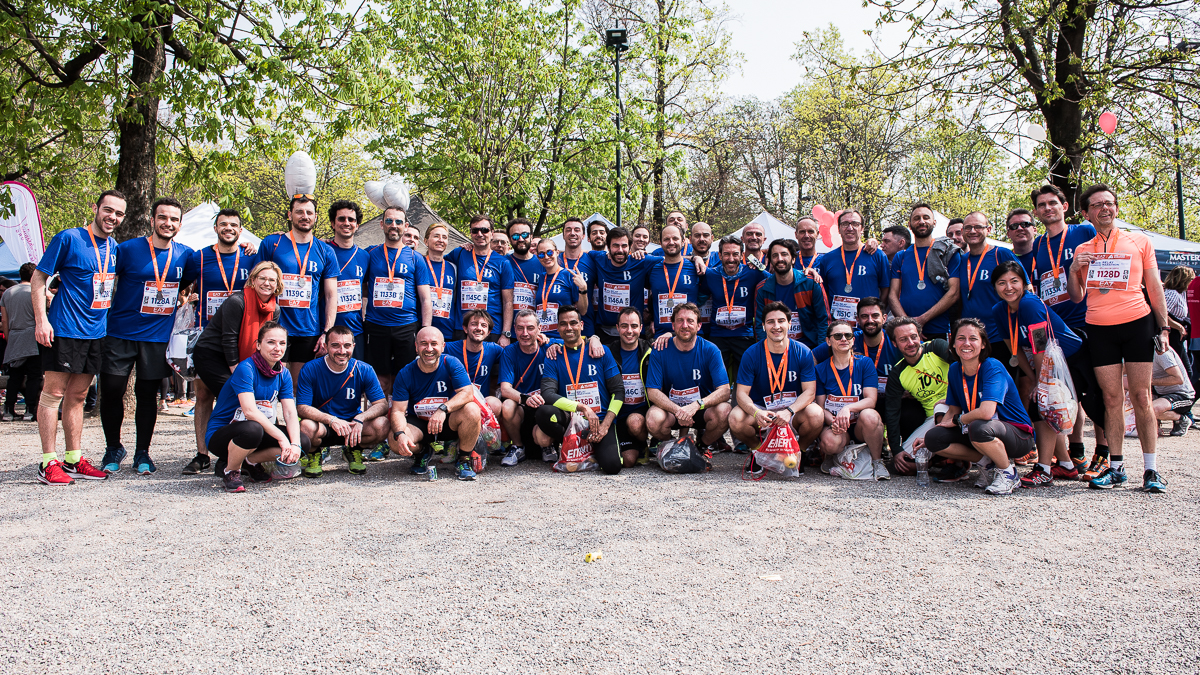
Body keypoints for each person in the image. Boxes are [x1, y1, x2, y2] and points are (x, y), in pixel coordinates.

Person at [1068, 183, 1170, 493]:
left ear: (1115, 207)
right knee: (1111, 399)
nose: (1105, 209)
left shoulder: (1139, 241)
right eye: (1097, 205)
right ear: (1086, 213)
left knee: (1141, 396)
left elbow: (1154, 286)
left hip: (1138, 323)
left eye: (1109, 203)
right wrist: (1073, 270)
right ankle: (1116, 468)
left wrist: (1164, 328)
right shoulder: (1083, 250)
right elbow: (1076, 296)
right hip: (1100, 328)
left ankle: (1151, 470)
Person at [99, 197, 194, 475]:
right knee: (112, 390)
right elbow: (103, 275)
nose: (168, 223)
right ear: (152, 220)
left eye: (174, 219)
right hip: (120, 333)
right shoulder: (127, 249)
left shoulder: (185, 255)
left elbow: (210, 264)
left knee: (147, 394)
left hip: (156, 337)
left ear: (180, 224)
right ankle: (113, 448)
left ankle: (142, 452)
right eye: (162, 217)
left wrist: (247, 246)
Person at [991, 261, 1103, 487]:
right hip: (1044, 362)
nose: (1009, 288)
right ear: (994, 287)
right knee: (1042, 405)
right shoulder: (999, 311)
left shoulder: (1029, 304)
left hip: (1071, 359)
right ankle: (1066, 465)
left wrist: (1041, 383)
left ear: (1024, 283)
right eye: (1002, 283)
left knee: (1043, 405)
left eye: (1014, 281)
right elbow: (1015, 350)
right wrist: (1034, 378)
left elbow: (1040, 345)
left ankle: (1044, 469)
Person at [915, 318, 1035, 495]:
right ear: (953, 343)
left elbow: (986, 412)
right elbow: (953, 410)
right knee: (934, 438)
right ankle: (988, 464)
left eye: (973, 338)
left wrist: (958, 420)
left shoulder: (992, 367)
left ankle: (1008, 473)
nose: (966, 343)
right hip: (979, 429)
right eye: (961, 338)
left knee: (978, 427)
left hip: (1018, 434)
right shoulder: (955, 369)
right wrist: (930, 436)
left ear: (983, 344)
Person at [1029, 184, 1103, 468]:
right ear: (1037, 212)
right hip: (1056, 327)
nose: (1047, 208)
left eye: (1052, 203)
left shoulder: (1083, 231)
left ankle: (1103, 453)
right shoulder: (1038, 245)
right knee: (1069, 390)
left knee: (1098, 391)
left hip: (1089, 320)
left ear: (1064, 206)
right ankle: (1077, 450)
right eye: (1042, 205)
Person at [188, 262, 282, 474]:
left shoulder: (274, 309)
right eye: (262, 278)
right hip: (213, 355)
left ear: (277, 285)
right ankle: (223, 457)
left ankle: (244, 456)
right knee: (236, 401)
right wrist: (239, 374)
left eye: (272, 280)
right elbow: (229, 338)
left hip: (242, 360)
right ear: (253, 280)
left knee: (251, 401)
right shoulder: (237, 301)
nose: (267, 283)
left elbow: (268, 340)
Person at [180, 208, 255, 473]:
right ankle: (202, 453)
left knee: (238, 395)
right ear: (215, 228)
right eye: (223, 224)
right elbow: (179, 286)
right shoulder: (199, 257)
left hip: (241, 338)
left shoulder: (251, 257)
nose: (228, 229)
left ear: (241, 230)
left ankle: (233, 450)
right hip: (208, 339)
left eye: (233, 225)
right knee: (203, 395)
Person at [203, 321, 308, 493]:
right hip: (223, 433)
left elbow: (290, 412)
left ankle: (249, 461)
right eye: (271, 342)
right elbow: (250, 412)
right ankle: (231, 471)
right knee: (253, 429)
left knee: (303, 441)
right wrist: (282, 438)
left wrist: (295, 444)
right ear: (258, 345)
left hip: (257, 431)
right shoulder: (246, 368)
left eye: (282, 343)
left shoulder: (284, 373)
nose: (277, 348)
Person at [729, 302, 824, 471]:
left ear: (790, 324)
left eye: (781, 321)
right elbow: (741, 394)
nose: (776, 326)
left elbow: (810, 392)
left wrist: (789, 411)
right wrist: (756, 412)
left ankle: (798, 453)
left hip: (792, 410)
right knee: (735, 418)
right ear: (763, 326)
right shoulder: (751, 353)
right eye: (770, 322)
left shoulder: (803, 352)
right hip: (763, 411)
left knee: (816, 414)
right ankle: (759, 452)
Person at [255, 195, 339, 387]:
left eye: (309, 212)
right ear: (290, 215)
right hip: (275, 325)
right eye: (299, 212)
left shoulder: (325, 251)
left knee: (298, 386)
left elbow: (331, 295)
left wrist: (327, 332)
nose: (304, 216)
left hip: (308, 329)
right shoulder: (272, 243)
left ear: (316, 217)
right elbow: (256, 282)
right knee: (269, 384)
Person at [536, 305, 626, 474]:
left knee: (612, 466)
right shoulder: (553, 355)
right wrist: (582, 407)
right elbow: (547, 394)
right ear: (557, 328)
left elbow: (619, 391)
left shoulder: (601, 351)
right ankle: (569, 442)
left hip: (599, 420)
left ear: (581, 325)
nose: (568, 328)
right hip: (571, 419)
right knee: (544, 413)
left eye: (573, 323)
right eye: (563, 324)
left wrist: (606, 425)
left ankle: (589, 447)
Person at [390, 327, 483, 481]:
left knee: (472, 410)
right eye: (424, 344)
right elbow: (398, 411)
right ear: (416, 346)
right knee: (394, 439)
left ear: (442, 346)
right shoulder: (405, 373)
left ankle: (463, 460)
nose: (429, 349)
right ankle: (422, 452)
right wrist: (400, 434)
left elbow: (467, 393)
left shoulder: (451, 363)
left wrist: (443, 409)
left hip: (447, 422)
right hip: (419, 424)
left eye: (434, 344)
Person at [296, 326, 389, 477]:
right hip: (323, 425)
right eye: (335, 345)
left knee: (382, 424)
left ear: (353, 346)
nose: (342, 351)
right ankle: (314, 454)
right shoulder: (310, 368)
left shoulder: (364, 369)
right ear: (325, 346)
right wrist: (331, 420)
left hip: (351, 425)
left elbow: (382, 404)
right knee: (305, 426)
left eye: (347, 345)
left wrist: (361, 418)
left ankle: (353, 450)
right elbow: (302, 408)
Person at [363, 205, 433, 397]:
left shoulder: (416, 258)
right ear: (381, 224)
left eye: (398, 222)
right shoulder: (370, 253)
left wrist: (426, 329)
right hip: (376, 326)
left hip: (406, 327)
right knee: (380, 381)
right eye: (389, 221)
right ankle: (379, 414)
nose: (394, 225)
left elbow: (426, 298)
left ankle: (402, 414)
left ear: (405, 226)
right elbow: (363, 287)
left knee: (406, 378)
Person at [644, 303, 732, 455]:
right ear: (673, 325)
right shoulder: (660, 350)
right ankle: (675, 446)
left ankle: (701, 445)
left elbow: (724, 391)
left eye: (690, 321)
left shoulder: (711, 350)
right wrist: (678, 411)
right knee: (653, 418)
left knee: (725, 411)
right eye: (680, 320)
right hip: (672, 410)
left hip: (701, 409)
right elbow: (652, 392)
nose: (685, 325)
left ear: (699, 326)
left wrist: (697, 405)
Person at [814, 320, 888, 480]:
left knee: (871, 415)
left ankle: (877, 462)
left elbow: (871, 400)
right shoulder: (820, 369)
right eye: (837, 336)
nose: (843, 339)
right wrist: (834, 421)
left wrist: (847, 408)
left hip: (859, 425)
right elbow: (820, 407)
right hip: (836, 425)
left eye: (848, 335)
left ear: (853, 340)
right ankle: (831, 455)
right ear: (828, 341)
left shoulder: (865, 363)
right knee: (830, 442)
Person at [700, 235, 766, 414]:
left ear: (742, 255)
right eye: (726, 254)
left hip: (744, 335)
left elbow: (777, 279)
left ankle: (740, 419)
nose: (731, 259)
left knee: (746, 379)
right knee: (713, 379)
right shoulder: (711, 274)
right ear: (720, 255)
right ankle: (713, 421)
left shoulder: (753, 273)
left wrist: (808, 272)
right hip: (717, 336)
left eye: (735, 254)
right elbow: (698, 297)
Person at [884, 318, 952, 476]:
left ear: (920, 336)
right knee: (904, 463)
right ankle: (939, 459)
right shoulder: (898, 373)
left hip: (956, 408)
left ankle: (954, 460)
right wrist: (896, 450)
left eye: (913, 337)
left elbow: (962, 367)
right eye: (903, 339)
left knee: (941, 408)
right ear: (894, 343)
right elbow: (892, 412)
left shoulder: (936, 347)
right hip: (933, 420)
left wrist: (953, 399)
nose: (910, 343)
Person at [958, 212, 1021, 381]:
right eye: (968, 227)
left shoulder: (1002, 254)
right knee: (976, 387)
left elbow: (1025, 288)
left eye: (978, 227)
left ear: (989, 229)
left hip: (1000, 336)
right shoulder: (961, 260)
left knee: (1003, 386)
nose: (973, 231)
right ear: (963, 231)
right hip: (972, 340)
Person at [497, 309, 562, 466]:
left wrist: (594, 338)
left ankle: (547, 446)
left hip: (545, 408)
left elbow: (577, 342)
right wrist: (526, 398)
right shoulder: (509, 352)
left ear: (539, 329)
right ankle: (518, 446)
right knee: (507, 405)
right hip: (523, 406)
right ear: (514, 329)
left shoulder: (550, 346)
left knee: (544, 434)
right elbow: (505, 389)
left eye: (530, 328)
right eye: (520, 328)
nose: (525, 333)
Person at [889, 203, 962, 341]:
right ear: (910, 225)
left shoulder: (948, 253)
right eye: (916, 218)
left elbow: (954, 292)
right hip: (907, 331)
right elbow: (892, 295)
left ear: (934, 222)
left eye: (926, 217)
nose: (921, 221)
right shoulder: (901, 256)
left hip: (939, 329)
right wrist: (910, 325)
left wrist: (922, 320)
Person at [813, 298, 900, 412]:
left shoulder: (896, 341)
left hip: (890, 400)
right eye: (864, 316)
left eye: (875, 316)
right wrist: (814, 384)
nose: (870, 320)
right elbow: (811, 357)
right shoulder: (846, 340)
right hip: (859, 404)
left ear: (884, 318)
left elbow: (916, 351)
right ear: (857, 319)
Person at [815, 209, 891, 326]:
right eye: (845, 224)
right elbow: (824, 292)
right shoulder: (827, 259)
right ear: (839, 229)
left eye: (855, 224)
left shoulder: (877, 255)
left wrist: (875, 314)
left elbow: (886, 289)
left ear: (862, 229)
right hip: (838, 327)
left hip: (868, 326)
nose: (850, 228)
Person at [446, 215, 512, 345]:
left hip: (492, 328)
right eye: (475, 230)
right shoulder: (459, 253)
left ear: (492, 233)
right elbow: (437, 263)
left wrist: (506, 333)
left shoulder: (503, 263)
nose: (479, 234)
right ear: (470, 233)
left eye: (484, 230)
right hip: (463, 327)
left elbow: (508, 301)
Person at [754, 239, 828, 349]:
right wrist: (767, 351)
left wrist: (820, 352)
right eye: (775, 255)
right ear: (771, 261)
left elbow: (823, 320)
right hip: (776, 348)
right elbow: (760, 326)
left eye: (784, 254)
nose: (780, 259)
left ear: (793, 259)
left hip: (809, 347)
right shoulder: (762, 289)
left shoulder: (811, 284)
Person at [324, 200, 370, 360]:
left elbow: (365, 289)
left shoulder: (364, 256)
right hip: (326, 331)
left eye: (351, 219)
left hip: (355, 331)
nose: (346, 223)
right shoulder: (322, 250)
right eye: (341, 219)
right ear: (333, 223)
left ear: (357, 225)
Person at [445, 309, 505, 430]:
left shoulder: (494, 349)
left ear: (489, 332)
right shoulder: (449, 348)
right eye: (474, 324)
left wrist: (540, 340)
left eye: (483, 325)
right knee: (469, 409)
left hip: (481, 403)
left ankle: (485, 437)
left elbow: (515, 354)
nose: (479, 328)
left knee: (495, 404)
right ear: (465, 328)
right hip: (456, 403)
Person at [610, 307, 652, 466]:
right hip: (616, 413)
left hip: (640, 412)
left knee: (635, 423)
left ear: (641, 328)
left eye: (634, 326)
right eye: (624, 326)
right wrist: (593, 337)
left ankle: (642, 444)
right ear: (617, 328)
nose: (629, 331)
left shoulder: (650, 350)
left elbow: (675, 343)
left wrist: (668, 334)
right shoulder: (608, 352)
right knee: (628, 461)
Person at [646, 224, 702, 337]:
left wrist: (697, 257)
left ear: (683, 241)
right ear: (660, 243)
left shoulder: (695, 268)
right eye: (666, 239)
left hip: (689, 334)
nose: (671, 242)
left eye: (675, 238)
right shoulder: (652, 268)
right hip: (660, 336)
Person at [2, 263, 41, 422]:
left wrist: (9, 338)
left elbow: (5, 320)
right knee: (33, 376)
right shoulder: (35, 291)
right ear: (34, 275)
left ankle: (8, 410)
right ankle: (30, 410)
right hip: (33, 337)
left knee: (14, 377)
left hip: (14, 337)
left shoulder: (7, 293)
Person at [534, 238, 586, 339]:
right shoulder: (541, 278)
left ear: (557, 252)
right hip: (542, 337)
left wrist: (583, 288)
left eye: (549, 252)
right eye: (541, 254)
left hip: (562, 337)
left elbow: (582, 311)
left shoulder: (569, 275)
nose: (546, 257)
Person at [559, 217, 597, 336]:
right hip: (560, 326)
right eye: (568, 230)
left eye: (577, 230)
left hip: (585, 324)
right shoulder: (554, 260)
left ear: (584, 236)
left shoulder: (593, 260)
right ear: (563, 235)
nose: (572, 233)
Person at [423, 223, 458, 340]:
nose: (440, 240)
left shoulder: (453, 267)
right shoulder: (419, 264)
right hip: (423, 328)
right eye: (436, 236)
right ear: (426, 241)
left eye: (444, 237)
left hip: (447, 330)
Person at [1162, 265, 1194, 392]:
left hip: (1178, 337)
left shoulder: (1181, 293)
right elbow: (1163, 313)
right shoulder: (1172, 293)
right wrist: (1179, 327)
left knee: (1186, 370)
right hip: (1172, 336)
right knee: (1185, 371)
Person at [1151, 345, 1194, 436]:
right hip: (1160, 393)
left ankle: (1182, 419)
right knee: (1138, 408)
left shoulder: (1161, 352)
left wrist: (1148, 381)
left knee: (1151, 409)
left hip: (1182, 394)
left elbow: (1178, 379)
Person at [505, 218, 542, 322]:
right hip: (509, 326)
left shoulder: (543, 263)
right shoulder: (502, 262)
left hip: (533, 326)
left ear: (531, 236)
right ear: (510, 239)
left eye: (525, 235)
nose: (521, 239)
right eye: (515, 236)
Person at [1006, 209, 1038, 282]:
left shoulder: (1045, 255)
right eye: (1014, 226)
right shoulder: (1005, 260)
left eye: (1025, 224)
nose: (1020, 228)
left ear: (1034, 230)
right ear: (1008, 234)